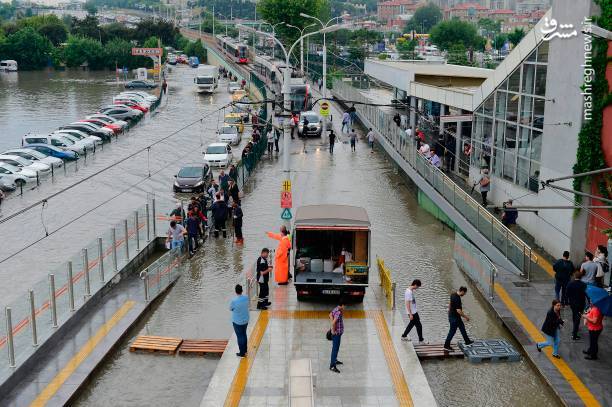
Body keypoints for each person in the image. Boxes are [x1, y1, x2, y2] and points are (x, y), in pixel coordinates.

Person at [443, 287, 474, 351]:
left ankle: (467, 341)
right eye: (464, 293)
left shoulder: (453, 294)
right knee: (452, 332)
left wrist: (449, 312)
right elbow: (458, 311)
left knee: (462, 328)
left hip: (454, 316)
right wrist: (466, 317)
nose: (464, 294)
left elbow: (450, 304)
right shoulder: (457, 299)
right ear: (462, 291)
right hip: (454, 318)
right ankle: (446, 346)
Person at [230, 284, 249, 357]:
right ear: (242, 290)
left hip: (237, 322)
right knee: (244, 334)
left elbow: (230, 308)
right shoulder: (246, 297)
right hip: (246, 320)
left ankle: (242, 353)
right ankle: (245, 350)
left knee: (240, 336)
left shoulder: (234, 301)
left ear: (235, 291)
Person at [566, 271, 587, 340]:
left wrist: (568, 301)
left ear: (574, 276)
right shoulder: (583, 285)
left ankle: (575, 326)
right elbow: (585, 294)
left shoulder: (570, 284)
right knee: (578, 317)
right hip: (580, 304)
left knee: (574, 314)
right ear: (581, 277)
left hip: (572, 303)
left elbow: (567, 294)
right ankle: (574, 334)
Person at [329, 299, 345, 373]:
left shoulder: (336, 309)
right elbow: (334, 322)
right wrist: (333, 330)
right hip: (337, 334)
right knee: (335, 349)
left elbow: (330, 315)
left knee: (336, 347)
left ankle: (334, 360)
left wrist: (332, 326)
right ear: (342, 305)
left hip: (337, 333)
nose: (345, 307)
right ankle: (332, 366)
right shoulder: (338, 312)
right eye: (344, 306)